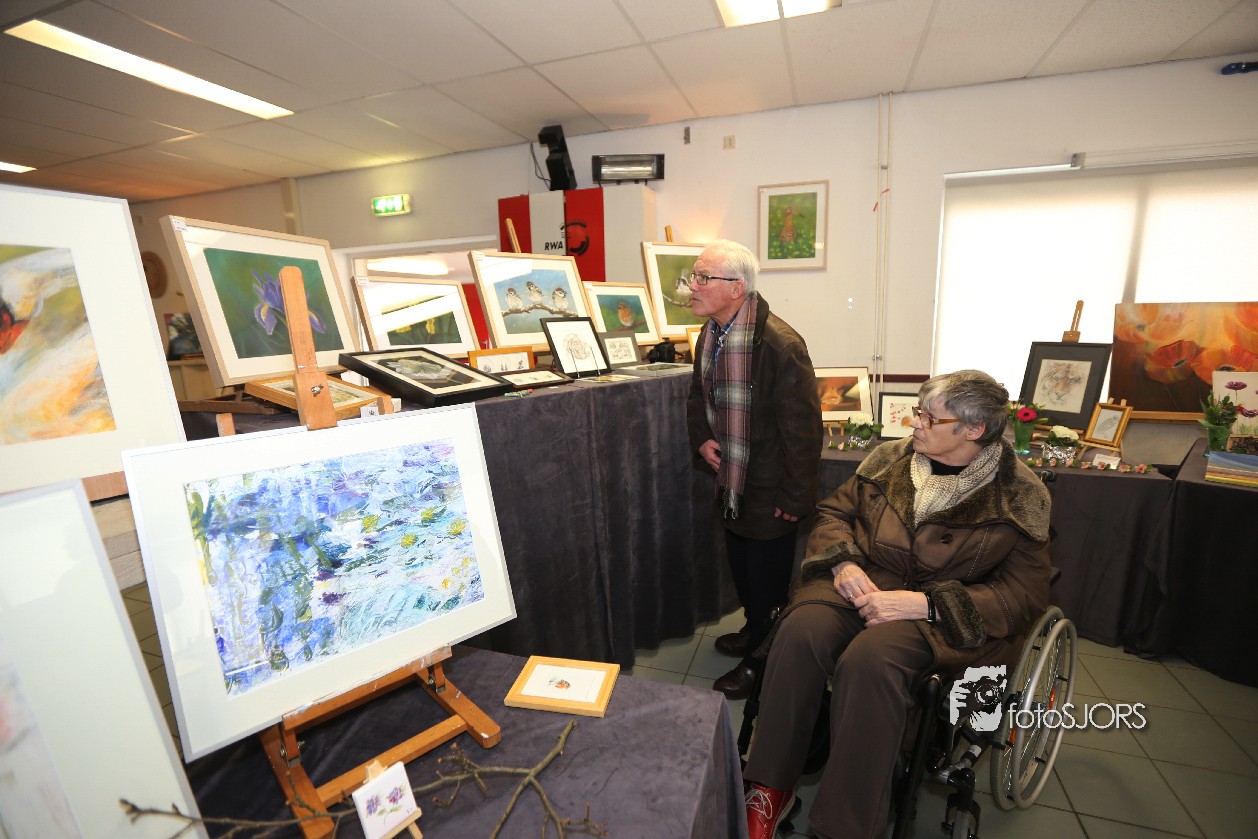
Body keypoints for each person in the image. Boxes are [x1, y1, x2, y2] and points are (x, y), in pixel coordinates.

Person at [742, 369, 1051, 839]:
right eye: (918, 412)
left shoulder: (1019, 494)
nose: (915, 423)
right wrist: (843, 563)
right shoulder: (890, 459)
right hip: (865, 583)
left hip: (944, 614)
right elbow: (833, 513)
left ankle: (844, 826)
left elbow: (1024, 596)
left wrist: (927, 605)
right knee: (801, 631)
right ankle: (770, 787)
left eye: (929, 417)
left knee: (872, 660)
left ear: (973, 429)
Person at [685, 239, 822, 699]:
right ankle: (754, 631)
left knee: (767, 581)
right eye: (694, 275)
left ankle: (761, 663)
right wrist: (701, 438)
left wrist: (796, 497)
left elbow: (804, 429)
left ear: (736, 287)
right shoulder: (710, 333)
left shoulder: (782, 345)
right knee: (743, 569)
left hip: (770, 486)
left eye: (704, 277)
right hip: (731, 480)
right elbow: (697, 396)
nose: (693, 285)